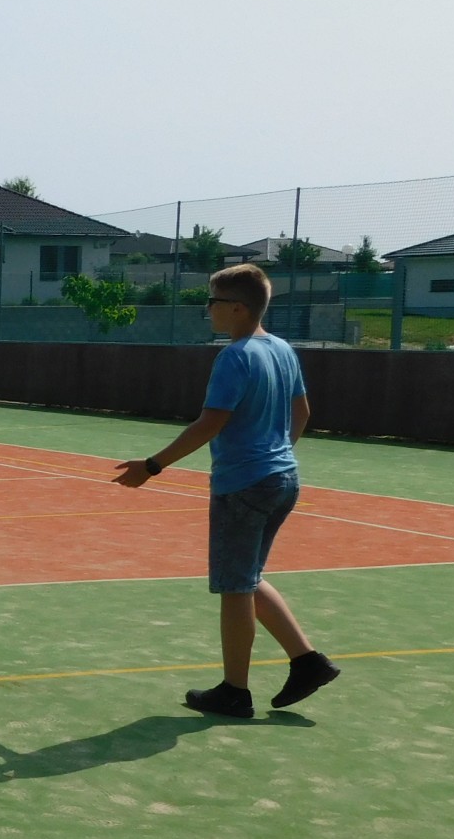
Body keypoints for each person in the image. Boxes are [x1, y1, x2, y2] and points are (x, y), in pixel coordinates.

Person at [113, 262, 339, 718]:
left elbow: (211, 422)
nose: (208, 309)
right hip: (283, 479)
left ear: (238, 308)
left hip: (244, 485)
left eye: (213, 301)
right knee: (247, 577)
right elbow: (302, 412)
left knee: (235, 587)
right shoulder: (281, 349)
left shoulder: (235, 357)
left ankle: (235, 691)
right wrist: (278, 455)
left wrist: (153, 466)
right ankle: (307, 662)